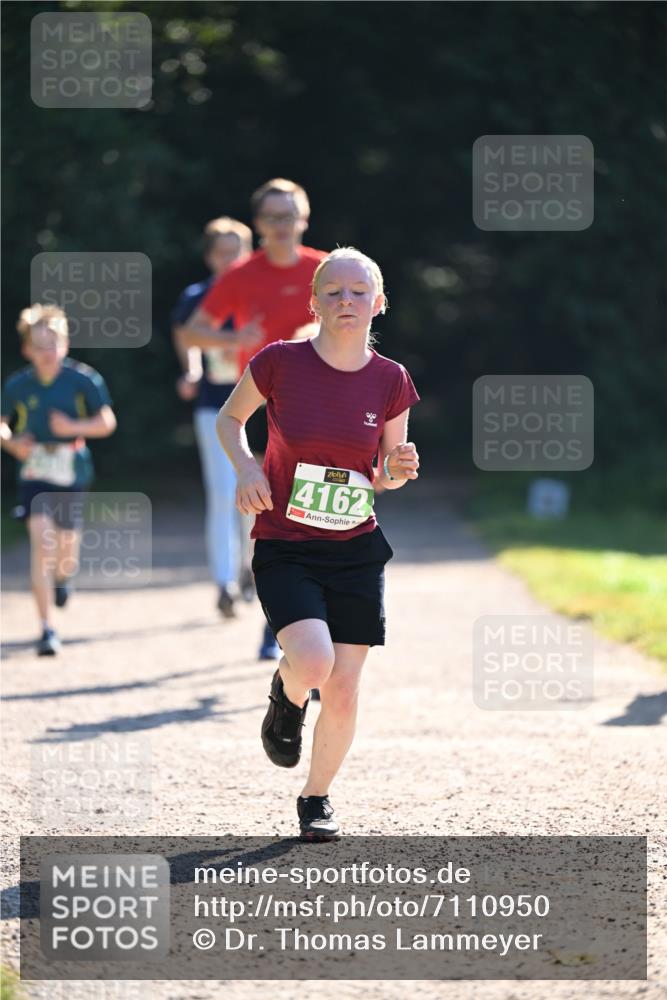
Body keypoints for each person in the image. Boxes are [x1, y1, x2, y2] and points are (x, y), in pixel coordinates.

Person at [216, 247, 420, 840]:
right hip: (286, 541)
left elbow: (384, 471)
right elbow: (229, 421)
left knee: (346, 688)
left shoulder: (391, 380)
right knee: (313, 661)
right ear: (314, 302)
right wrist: (247, 470)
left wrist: (399, 469)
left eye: (359, 292)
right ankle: (285, 697)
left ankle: (316, 797)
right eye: (333, 291)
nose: (346, 301)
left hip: (355, 547)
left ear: (378, 303)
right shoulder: (280, 363)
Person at [181, 178, 327, 660]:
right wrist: (236, 336)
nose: (281, 226)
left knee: (318, 510)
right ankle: (276, 623)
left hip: (319, 404)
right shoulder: (241, 274)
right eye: (272, 218)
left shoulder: (324, 268)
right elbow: (193, 331)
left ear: (304, 219)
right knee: (272, 512)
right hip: (261, 403)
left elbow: (359, 318)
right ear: (258, 223)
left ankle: (305, 622)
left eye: (289, 216)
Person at [1, 305, 116, 655]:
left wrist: (73, 428)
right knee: (42, 543)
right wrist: (10, 442)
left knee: (66, 548)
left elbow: (107, 422)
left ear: (65, 345)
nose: (47, 352)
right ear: (27, 350)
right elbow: (2, 422)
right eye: (39, 345)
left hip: (71, 468)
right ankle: (46, 628)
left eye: (53, 343)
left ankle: (64, 579)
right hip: (34, 470)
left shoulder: (83, 379)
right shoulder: (18, 384)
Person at [170, 216, 255, 618]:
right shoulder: (196, 296)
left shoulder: (259, 294)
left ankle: (252, 568)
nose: (230, 259)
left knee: (260, 492)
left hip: (263, 406)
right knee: (222, 495)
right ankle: (224, 582)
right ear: (208, 257)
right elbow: (185, 335)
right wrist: (191, 369)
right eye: (222, 252)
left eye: (236, 250)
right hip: (215, 407)